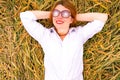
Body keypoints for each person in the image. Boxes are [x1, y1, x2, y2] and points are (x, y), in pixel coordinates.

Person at [20, 0, 108, 80]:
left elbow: (102, 18)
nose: (60, 17)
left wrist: (73, 16)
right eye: (56, 12)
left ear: (71, 19)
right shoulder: (45, 36)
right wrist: (52, 15)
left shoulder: (80, 34)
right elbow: (25, 17)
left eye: (65, 13)